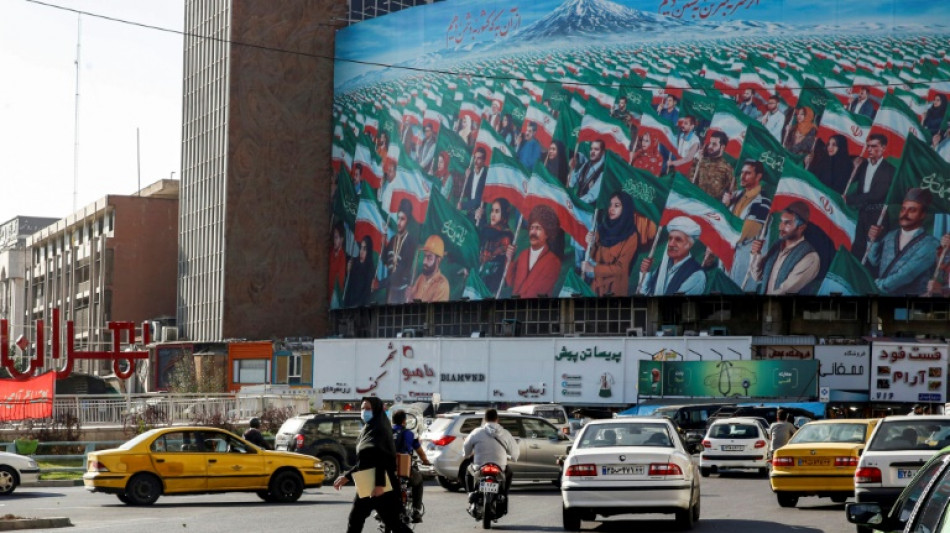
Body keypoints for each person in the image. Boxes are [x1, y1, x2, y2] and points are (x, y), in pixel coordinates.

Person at [334, 397, 411, 533]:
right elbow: (365, 461)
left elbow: (381, 458)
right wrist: (347, 476)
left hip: (379, 482)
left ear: (376, 410)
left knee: (392, 523)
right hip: (368, 480)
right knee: (358, 519)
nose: (364, 411)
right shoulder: (368, 429)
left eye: (368, 408)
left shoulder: (380, 429)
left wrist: (379, 485)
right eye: (363, 408)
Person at [866, 188, 939, 296]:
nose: (905, 214)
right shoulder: (891, 235)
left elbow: (907, 274)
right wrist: (873, 240)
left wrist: (877, 286)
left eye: (912, 210)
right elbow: (874, 261)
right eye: (903, 209)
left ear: (922, 215)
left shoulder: (931, 244)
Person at [749, 202, 821, 295]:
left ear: (801, 227)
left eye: (787, 223)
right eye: (781, 221)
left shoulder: (810, 257)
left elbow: (785, 291)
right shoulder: (777, 246)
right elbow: (757, 276)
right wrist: (756, 253)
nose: (780, 227)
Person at [847, 133, 896, 262]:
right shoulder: (862, 165)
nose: (869, 149)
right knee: (858, 249)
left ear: (883, 148)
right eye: (868, 146)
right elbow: (850, 181)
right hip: (862, 214)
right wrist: (854, 167)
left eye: (874, 146)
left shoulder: (889, 170)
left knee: (873, 254)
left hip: (878, 216)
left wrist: (850, 200)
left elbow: (877, 195)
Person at [723, 160, 771, 287]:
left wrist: (723, 222)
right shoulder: (736, 195)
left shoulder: (763, 203)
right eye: (742, 172)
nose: (742, 176)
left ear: (758, 176)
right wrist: (724, 206)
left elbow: (745, 234)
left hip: (744, 263)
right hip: (727, 258)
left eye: (748, 173)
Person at [462, 408, 519, 511]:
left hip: (479, 467)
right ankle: (504, 495)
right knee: (509, 473)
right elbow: (515, 453)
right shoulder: (505, 433)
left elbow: (466, 448)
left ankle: (470, 493)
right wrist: (513, 458)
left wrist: (466, 454)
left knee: (468, 470)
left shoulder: (476, 432)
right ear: (497, 419)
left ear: (485, 419)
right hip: (500, 467)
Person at [583, 191, 639, 296]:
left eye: (616, 206)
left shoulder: (631, 235)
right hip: (597, 284)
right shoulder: (603, 228)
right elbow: (595, 256)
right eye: (610, 205)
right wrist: (591, 244)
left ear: (626, 209)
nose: (611, 209)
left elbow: (621, 268)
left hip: (615, 287)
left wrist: (593, 269)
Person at [504, 204, 563, 298]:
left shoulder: (553, 261)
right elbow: (511, 282)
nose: (533, 232)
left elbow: (535, 292)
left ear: (547, 233)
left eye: (538, 228)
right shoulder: (523, 254)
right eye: (531, 228)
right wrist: (509, 259)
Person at [638, 217, 706, 296]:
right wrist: (645, 273)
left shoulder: (696, 275)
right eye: (670, 239)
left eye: (678, 240)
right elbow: (645, 293)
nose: (671, 244)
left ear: (689, 245)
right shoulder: (663, 267)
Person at [391, 410, 430, 524]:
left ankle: (379, 511)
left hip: (388, 469)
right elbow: (420, 451)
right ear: (404, 421)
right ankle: (416, 511)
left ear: (392, 421)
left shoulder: (386, 432)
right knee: (418, 481)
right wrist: (425, 461)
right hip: (404, 468)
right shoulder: (410, 434)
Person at [383, 200, 418, 305]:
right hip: (390, 287)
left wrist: (380, 284)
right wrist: (383, 244)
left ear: (408, 221)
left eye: (402, 219)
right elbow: (385, 260)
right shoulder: (393, 239)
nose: (399, 222)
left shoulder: (410, 242)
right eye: (398, 218)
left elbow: (403, 269)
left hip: (401, 290)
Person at [477, 199, 515, 293]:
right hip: (480, 274)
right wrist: (478, 219)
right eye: (492, 211)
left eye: (497, 211)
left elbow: (492, 258)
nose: (493, 215)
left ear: (504, 214)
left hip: (493, 280)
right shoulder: (487, 229)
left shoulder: (506, 235)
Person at [407, 235, 451, 302]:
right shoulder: (421, 277)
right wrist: (410, 297)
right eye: (425, 256)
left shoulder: (442, 285)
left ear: (438, 261)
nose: (424, 261)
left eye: (429, 258)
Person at [693, 131, 734, 201]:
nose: (710, 146)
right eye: (710, 143)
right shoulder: (700, 160)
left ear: (722, 147)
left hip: (711, 205)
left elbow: (732, 193)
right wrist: (697, 161)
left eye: (714, 144)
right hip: (695, 200)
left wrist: (729, 198)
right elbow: (690, 181)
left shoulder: (728, 169)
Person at [569, 139, 606, 204]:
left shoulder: (603, 172)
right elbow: (572, 183)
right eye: (591, 149)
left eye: (596, 149)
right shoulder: (586, 165)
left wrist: (575, 202)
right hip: (577, 204)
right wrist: (573, 168)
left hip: (588, 208)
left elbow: (592, 196)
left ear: (602, 153)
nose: (592, 152)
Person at [459, 147, 489, 223]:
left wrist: (463, 205)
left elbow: (479, 200)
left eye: (479, 158)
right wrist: (467, 178)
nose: (475, 161)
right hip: (469, 214)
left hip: (480, 217)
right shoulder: (471, 174)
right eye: (475, 158)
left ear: (484, 161)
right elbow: (466, 193)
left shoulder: (486, 177)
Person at [344, 236, 375, 308]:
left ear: (369, 251)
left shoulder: (370, 268)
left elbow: (366, 294)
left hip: (360, 307)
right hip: (348, 304)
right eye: (361, 247)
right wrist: (348, 271)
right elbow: (348, 285)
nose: (361, 251)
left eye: (365, 249)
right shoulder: (354, 263)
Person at [329, 222, 348, 306]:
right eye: (334, 237)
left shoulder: (342, 257)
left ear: (342, 239)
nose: (334, 240)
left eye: (336, 237)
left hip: (335, 296)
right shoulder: (330, 252)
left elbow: (339, 281)